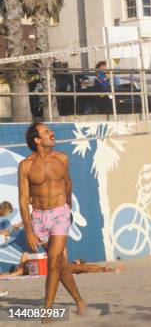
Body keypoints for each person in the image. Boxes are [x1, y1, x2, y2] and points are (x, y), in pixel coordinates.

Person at [18, 122, 86, 316]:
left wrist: (68, 208)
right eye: (47, 132)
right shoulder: (26, 166)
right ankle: (79, 300)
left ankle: (47, 309)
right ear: (37, 140)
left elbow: (68, 182)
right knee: (60, 265)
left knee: (54, 259)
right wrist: (29, 230)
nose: (52, 133)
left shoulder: (62, 159)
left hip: (60, 213)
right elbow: (23, 200)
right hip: (39, 217)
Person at [0, 251, 124, 278]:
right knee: (25, 256)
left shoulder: (73, 267)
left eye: (77, 260)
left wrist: (105, 269)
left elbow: (87, 268)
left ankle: (5, 275)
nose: (75, 260)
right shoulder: (67, 263)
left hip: (39, 269)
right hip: (37, 267)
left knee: (18, 272)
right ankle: (10, 273)